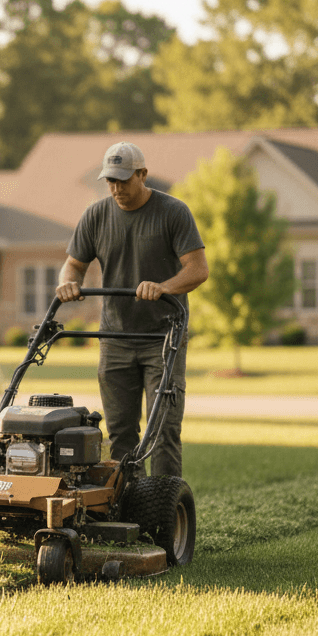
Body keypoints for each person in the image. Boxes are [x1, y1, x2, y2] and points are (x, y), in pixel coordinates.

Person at [55, 141, 208, 478]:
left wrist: (164, 287)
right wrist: (68, 282)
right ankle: (127, 503)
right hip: (115, 337)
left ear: (143, 174)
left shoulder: (173, 212)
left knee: (163, 430)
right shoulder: (96, 215)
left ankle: (162, 510)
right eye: (110, 180)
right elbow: (73, 265)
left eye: (124, 180)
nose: (116, 188)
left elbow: (198, 269)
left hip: (162, 338)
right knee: (120, 433)